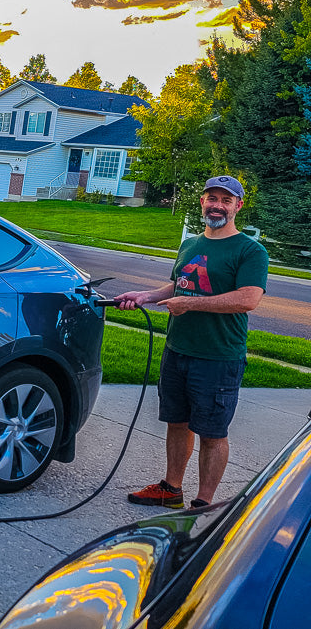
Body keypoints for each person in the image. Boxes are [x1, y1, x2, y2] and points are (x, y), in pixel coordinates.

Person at [114, 175, 268, 510]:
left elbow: (248, 299)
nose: (218, 205)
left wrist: (192, 304)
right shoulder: (191, 244)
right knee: (177, 422)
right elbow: (179, 286)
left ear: (238, 206)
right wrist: (145, 295)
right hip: (177, 350)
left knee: (212, 432)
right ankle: (172, 489)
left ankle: (203, 503)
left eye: (226, 200)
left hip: (218, 356)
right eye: (212, 198)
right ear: (202, 201)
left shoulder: (250, 251)